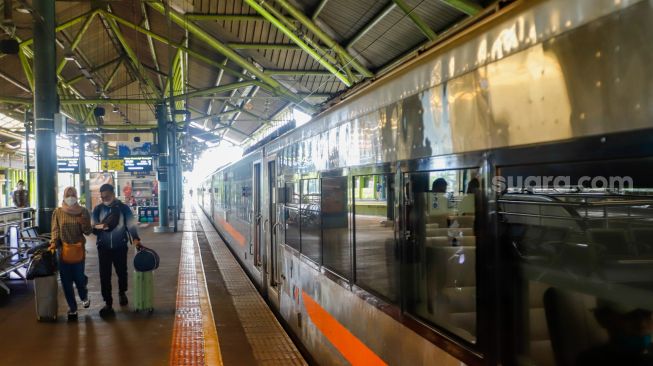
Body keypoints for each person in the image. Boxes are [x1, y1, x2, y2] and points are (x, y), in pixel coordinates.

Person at [92, 184, 141, 317]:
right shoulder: (98, 209)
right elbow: (94, 228)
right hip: (103, 247)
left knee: (122, 272)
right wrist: (103, 226)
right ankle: (108, 302)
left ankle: (122, 292)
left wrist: (136, 238)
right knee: (104, 275)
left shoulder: (123, 208)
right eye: (102, 197)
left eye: (107, 196)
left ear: (113, 194)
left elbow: (130, 224)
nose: (104, 199)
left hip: (120, 246)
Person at [48, 187, 92, 321]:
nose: (71, 197)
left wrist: (83, 223)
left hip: (78, 250)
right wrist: (54, 243)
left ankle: (84, 296)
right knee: (66, 282)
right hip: (63, 251)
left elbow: (88, 231)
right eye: (68, 195)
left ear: (77, 196)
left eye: (73, 194)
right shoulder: (58, 212)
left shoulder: (83, 211)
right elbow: (55, 230)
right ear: (64, 196)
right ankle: (72, 308)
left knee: (79, 279)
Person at [577, 299, 653, 366]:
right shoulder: (592, 361)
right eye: (631, 316)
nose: (642, 324)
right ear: (602, 319)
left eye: (647, 315)